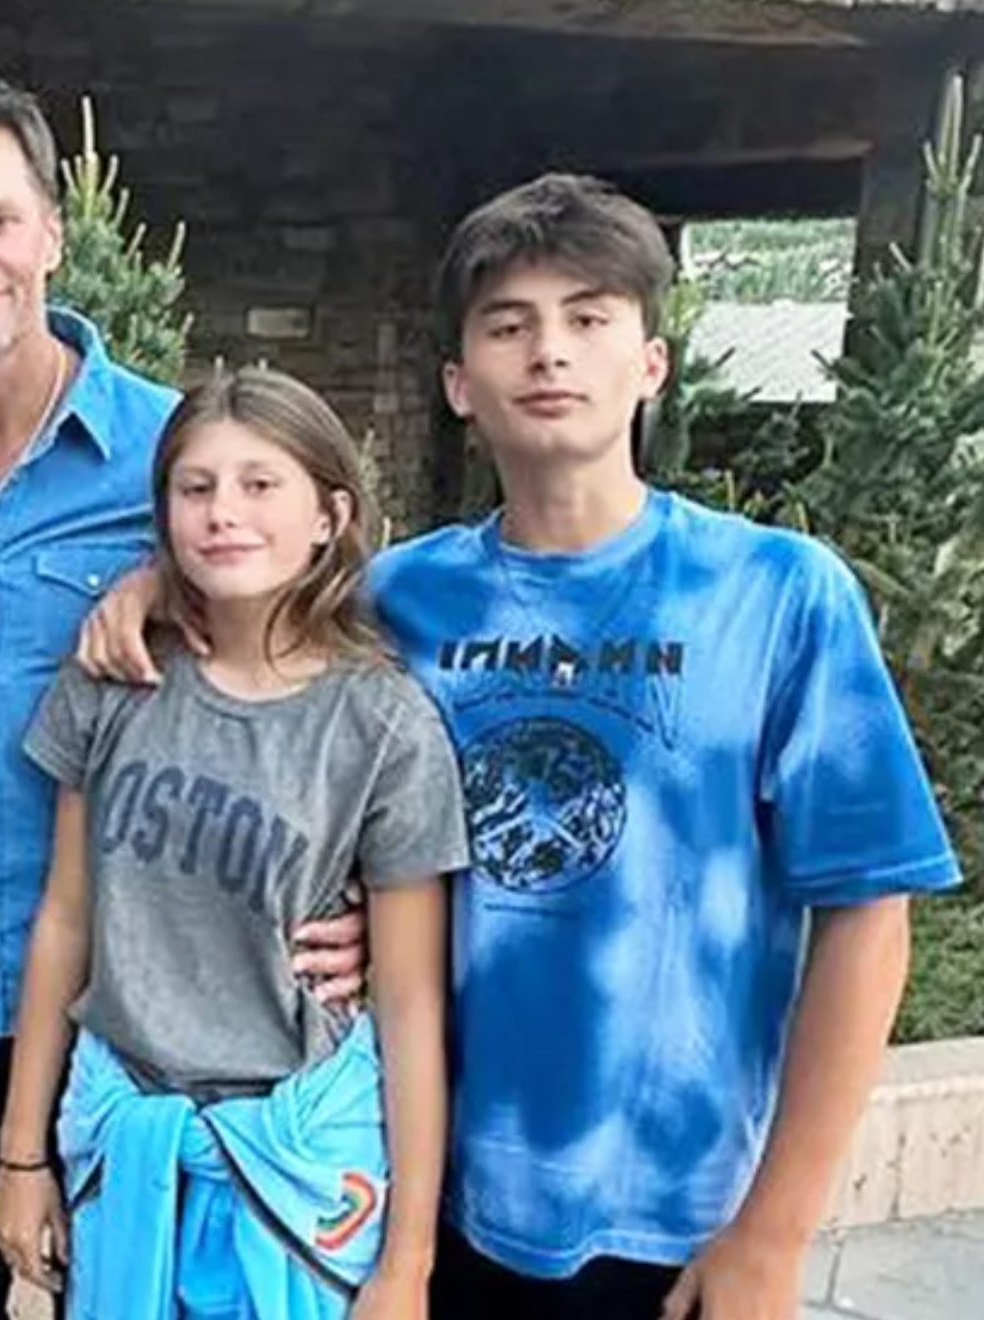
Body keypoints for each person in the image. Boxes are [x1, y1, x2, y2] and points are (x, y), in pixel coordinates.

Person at [75, 173, 962, 1320]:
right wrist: (153, 583)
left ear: (651, 362)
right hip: (431, 1193)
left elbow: (868, 919)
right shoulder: (405, 600)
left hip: (680, 1210)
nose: (551, 353)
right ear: (458, 384)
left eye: (589, 318)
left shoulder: (778, 597)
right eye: (509, 325)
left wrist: (775, 1231)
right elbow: (249, 618)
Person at [0, 67, 368, 1320]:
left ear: (54, 232)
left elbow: (321, 659)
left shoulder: (180, 458)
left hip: (133, 994)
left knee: (125, 1287)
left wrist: (368, 901)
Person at [0, 367, 466, 1320]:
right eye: (195, 487)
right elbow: (66, 921)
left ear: (329, 515)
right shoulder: (112, 680)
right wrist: (20, 1154)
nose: (223, 513)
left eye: (260, 484)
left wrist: (406, 1264)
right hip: (127, 1142)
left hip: (297, 1169)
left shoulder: (382, 726)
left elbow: (411, 1003)